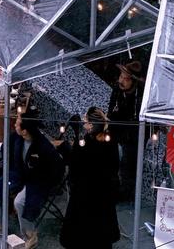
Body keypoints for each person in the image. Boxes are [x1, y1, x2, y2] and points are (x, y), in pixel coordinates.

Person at [0, 109, 64, 248]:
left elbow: (57, 169)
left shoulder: (44, 147)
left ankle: (30, 236)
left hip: (37, 181)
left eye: (18, 124)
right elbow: (4, 150)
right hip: (18, 174)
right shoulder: (16, 138)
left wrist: (46, 184)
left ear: (25, 131)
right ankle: (0, 223)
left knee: (20, 202)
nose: (15, 125)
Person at [59, 107, 120, 249]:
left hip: (85, 193)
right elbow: (114, 167)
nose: (83, 123)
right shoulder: (110, 142)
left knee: (83, 233)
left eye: (85, 121)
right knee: (101, 234)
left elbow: (74, 164)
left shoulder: (85, 143)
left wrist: (66, 148)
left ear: (91, 125)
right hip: (104, 194)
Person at [108, 59, 144, 199]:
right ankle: (112, 186)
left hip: (133, 133)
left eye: (125, 79)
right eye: (121, 77)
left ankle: (126, 192)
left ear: (133, 81)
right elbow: (111, 111)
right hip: (116, 128)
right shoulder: (117, 90)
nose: (121, 81)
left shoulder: (139, 96)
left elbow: (138, 121)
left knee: (128, 160)